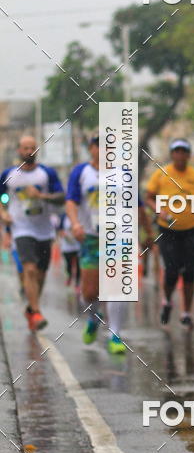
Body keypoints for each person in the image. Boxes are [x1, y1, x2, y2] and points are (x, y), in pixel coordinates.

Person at [66, 135, 151, 355]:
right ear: (91, 149)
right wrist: (75, 224)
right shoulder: (81, 172)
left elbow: (138, 207)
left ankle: (115, 334)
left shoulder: (125, 175)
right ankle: (94, 318)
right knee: (90, 291)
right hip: (91, 237)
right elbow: (71, 202)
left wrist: (147, 232)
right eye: (100, 146)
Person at [0, 136, 64, 330]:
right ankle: (36, 313)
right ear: (19, 151)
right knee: (29, 269)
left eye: (32, 148)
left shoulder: (47, 174)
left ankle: (31, 308)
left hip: (44, 229)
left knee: (41, 274)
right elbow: (1, 199)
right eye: (25, 148)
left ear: (37, 151)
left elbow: (61, 198)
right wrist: (3, 213)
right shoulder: (8, 175)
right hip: (21, 228)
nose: (29, 151)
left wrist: (42, 195)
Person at [146, 139, 194, 328]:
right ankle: (167, 301)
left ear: (188, 155)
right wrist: (159, 210)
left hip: (191, 230)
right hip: (168, 230)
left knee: (189, 272)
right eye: (176, 151)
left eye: (184, 151)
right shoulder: (161, 174)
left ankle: (186, 312)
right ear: (172, 154)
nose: (180, 155)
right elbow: (149, 198)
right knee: (172, 271)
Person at [57, 212, 81, 290]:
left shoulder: (80, 214)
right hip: (67, 246)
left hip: (78, 245)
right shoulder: (63, 216)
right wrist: (63, 234)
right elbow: (59, 229)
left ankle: (77, 283)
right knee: (69, 264)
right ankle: (69, 275)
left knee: (78, 265)